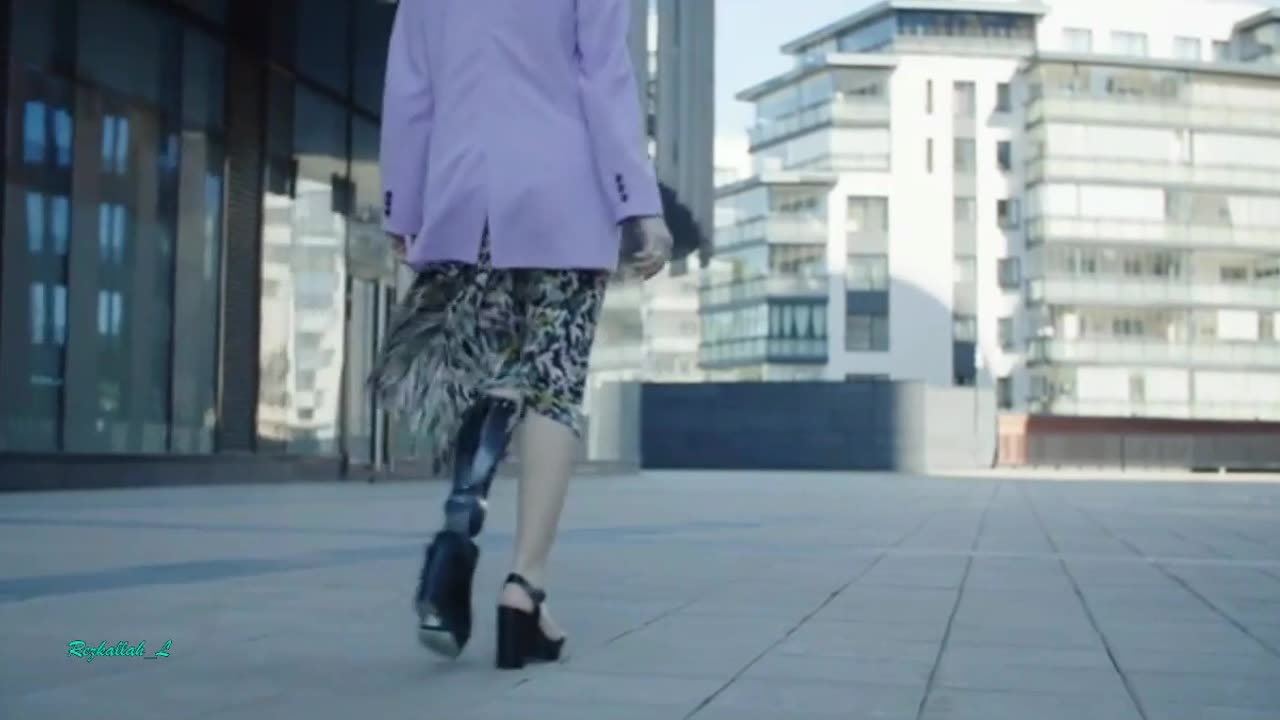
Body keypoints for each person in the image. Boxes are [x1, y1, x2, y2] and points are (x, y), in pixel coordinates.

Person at [369, 0, 673, 670]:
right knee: (551, 390)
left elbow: (411, 84)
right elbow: (604, 75)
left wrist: (404, 199)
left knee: (485, 375)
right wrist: (639, 203)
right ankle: (523, 585)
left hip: (464, 195)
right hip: (564, 198)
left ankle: (458, 529)